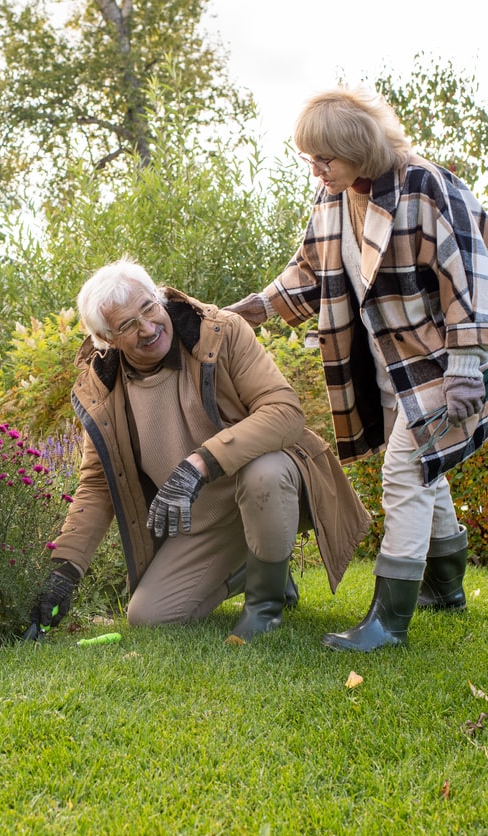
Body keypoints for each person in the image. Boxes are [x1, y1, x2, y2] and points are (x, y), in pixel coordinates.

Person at [226, 86, 488, 652]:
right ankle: (446, 588)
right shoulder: (334, 198)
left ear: (358, 146)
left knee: (403, 470)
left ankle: (388, 620)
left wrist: (468, 366)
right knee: (427, 464)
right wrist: (249, 311)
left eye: (324, 159)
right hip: (386, 363)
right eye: (309, 159)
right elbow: (308, 273)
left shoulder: (422, 184)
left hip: (442, 362)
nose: (316, 171)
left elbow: (467, 275)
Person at [28, 257, 370, 644]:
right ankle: (253, 565)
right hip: (206, 522)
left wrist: (199, 464)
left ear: (158, 296)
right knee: (148, 616)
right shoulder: (104, 388)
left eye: (148, 307)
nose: (148, 328)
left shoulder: (221, 332)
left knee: (266, 471)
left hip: (269, 488)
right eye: (127, 326)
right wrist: (64, 571)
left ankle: (265, 606)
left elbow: (285, 412)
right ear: (106, 339)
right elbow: (97, 484)